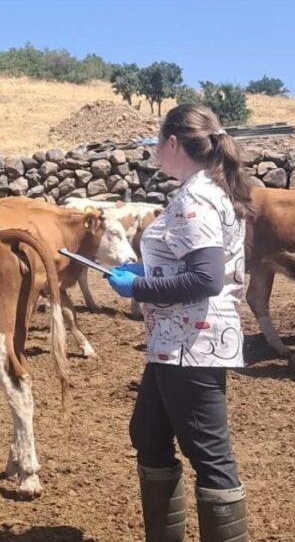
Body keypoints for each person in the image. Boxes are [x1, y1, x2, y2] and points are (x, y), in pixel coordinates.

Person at [103, 105, 252, 542]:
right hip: (176, 341)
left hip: (192, 344)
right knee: (148, 433)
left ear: (172, 143)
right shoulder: (207, 190)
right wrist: (145, 274)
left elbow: (205, 277)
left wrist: (139, 288)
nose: (153, 152)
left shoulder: (194, 199)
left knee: (211, 456)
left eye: (155, 142)